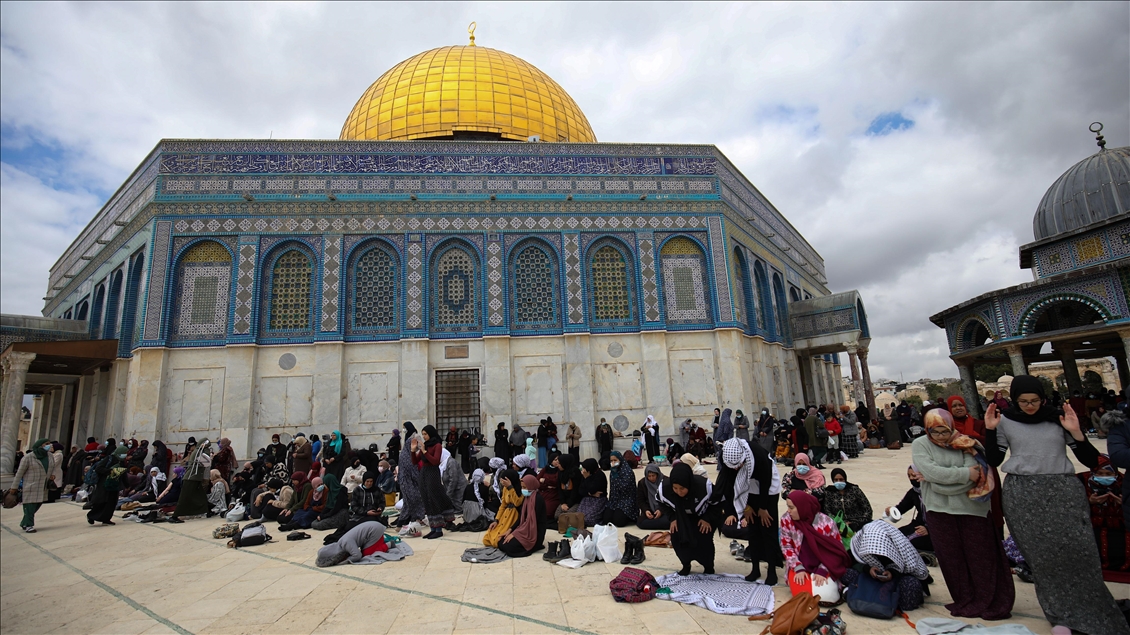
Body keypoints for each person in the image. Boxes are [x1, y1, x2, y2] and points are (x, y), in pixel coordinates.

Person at [985, 375, 1126, 634]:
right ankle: (1062, 616)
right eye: (1023, 401)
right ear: (1014, 401)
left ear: (1044, 398)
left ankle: (1096, 613)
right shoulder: (1006, 421)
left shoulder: (1058, 418)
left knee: (1080, 554)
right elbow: (993, 458)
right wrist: (991, 430)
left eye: (1035, 400)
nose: (1030, 406)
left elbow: (1092, 460)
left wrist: (1075, 432)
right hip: (1023, 493)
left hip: (1062, 491)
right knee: (1043, 560)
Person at [913, 407, 1013, 621]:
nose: (940, 437)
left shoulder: (967, 443)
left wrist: (940, 483)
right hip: (939, 509)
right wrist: (961, 476)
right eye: (935, 432)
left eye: (944, 431)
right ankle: (965, 598)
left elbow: (975, 474)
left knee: (980, 556)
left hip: (971, 508)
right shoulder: (920, 444)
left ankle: (989, 598)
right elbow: (932, 472)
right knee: (952, 558)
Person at [716, 438, 783, 584]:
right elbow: (729, 485)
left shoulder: (758, 456)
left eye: (738, 465)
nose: (735, 468)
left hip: (768, 487)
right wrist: (746, 507)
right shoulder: (727, 458)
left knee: (768, 528)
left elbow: (765, 482)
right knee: (753, 529)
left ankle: (771, 569)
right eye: (732, 467)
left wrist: (763, 508)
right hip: (747, 487)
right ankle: (755, 568)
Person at [843, 519, 930, 612]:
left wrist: (892, 573)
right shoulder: (860, 542)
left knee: (911, 585)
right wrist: (867, 569)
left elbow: (910, 569)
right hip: (868, 578)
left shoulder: (899, 545)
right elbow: (851, 562)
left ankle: (883, 600)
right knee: (846, 573)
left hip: (895, 582)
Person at [780, 491, 850, 603]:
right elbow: (786, 546)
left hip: (825, 564)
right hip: (799, 565)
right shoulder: (787, 520)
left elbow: (835, 550)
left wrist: (823, 570)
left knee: (827, 596)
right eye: (788, 507)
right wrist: (797, 567)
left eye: (791, 508)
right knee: (802, 597)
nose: (788, 511)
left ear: (802, 507)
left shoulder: (826, 522)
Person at [658, 462, 721, 575]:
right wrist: (672, 518)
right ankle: (686, 564)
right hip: (681, 517)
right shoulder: (665, 489)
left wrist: (707, 518)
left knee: (703, 539)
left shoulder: (704, 486)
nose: (678, 492)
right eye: (675, 488)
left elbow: (718, 502)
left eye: (682, 488)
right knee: (677, 537)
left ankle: (708, 566)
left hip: (703, 516)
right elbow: (660, 503)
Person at [1078, 454, 1128, 572]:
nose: (1104, 477)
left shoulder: (1125, 483)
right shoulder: (1082, 481)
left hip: (1122, 527)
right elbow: (1070, 508)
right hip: (1094, 526)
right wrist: (1088, 502)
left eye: (1109, 474)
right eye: (1100, 473)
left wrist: (1125, 504)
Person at [413, 425, 456, 538]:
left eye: (425, 434)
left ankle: (439, 529)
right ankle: (433, 528)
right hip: (424, 474)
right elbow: (415, 461)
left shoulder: (437, 445)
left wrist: (424, 451)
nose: (424, 436)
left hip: (433, 473)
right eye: (423, 434)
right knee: (426, 498)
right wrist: (413, 451)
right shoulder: (425, 445)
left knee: (434, 498)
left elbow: (435, 461)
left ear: (431, 433)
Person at [498, 474, 548, 557]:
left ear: (531, 486)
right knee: (501, 542)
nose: (523, 490)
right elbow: (521, 518)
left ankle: (536, 546)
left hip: (534, 533)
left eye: (525, 487)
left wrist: (515, 534)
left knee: (508, 547)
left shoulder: (537, 499)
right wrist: (510, 530)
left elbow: (531, 522)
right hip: (524, 530)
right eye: (522, 487)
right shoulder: (527, 498)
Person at [9, 439, 52, 532]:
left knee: (38, 504)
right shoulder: (28, 457)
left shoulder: (50, 456)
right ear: (40, 445)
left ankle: (24, 522)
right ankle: (29, 525)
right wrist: (14, 487)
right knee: (29, 506)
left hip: (43, 485)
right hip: (31, 485)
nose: (49, 445)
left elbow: (51, 468)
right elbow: (19, 473)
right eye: (46, 444)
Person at [886, 465, 932, 553]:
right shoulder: (914, 492)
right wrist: (892, 511)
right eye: (909, 476)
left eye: (914, 476)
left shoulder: (934, 492)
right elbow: (902, 508)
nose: (911, 478)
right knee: (895, 536)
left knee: (910, 543)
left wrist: (928, 529)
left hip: (935, 529)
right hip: (918, 525)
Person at [169, 440, 211, 522]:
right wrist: (206, 449)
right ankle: (174, 516)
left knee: (201, 496)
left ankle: (208, 510)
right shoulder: (199, 452)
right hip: (191, 478)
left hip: (195, 478)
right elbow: (206, 462)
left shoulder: (198, 451)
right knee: (184, 498)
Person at [396, 422, 426, 531]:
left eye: (404, 428)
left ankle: (408, 521)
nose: (403, 430)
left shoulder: (413, 439)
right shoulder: (408, 446)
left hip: (409, 479)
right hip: (407, 480)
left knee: (412, 500)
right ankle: (405, 522)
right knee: (409, 501)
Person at [483, 469, 523, 547]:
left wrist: (510, 487)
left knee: (499, 539)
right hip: (505, 515)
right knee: (487, 538)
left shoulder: (521, 488)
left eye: (504, 481)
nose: (502, 483)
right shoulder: (505, 488)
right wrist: (496, 520)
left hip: (514, 516)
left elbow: (517, 503)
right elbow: (503, 505)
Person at [601, 451, 638, 526]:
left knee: (619, 522)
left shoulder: (627, 472)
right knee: (606, 520)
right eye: (611, 461)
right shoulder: (613, 471)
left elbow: (624, 489)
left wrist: (616, 476)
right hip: (614, 500)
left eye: (615, 460)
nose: (613, 462)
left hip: (626, 500)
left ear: (620, 460)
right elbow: (612, 489)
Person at [636, 464, 670, 530]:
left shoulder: (665, 481)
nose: (651, 478)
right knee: (641, 523)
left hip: (664, 510)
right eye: (649, 476)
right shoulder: (642, 483)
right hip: (650, 510)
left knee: (668, 521)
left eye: (653, 476)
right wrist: (646, 510)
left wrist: (660, 510)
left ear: (657, 474)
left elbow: (668, 500)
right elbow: (641, 500)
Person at [578, 458, 608, 526]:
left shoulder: (600, 475)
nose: (583, 470)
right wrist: (591, 494)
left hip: (599, 500)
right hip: (587, 498)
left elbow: (592, 489)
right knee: (579, 516)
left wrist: (587, 478)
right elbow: (581, 490)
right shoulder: (585, 475)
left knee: (589, 519)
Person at [554, 454, 582, 521]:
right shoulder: (560, 473)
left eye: (560, 463)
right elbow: (559, 489)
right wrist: (563, 503)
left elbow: (575, 490)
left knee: (568, 516)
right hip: (565, 500)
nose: (558, 465)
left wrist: (569, 505)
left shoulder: (575, 473)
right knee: (557, 515)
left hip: (575, 501)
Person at [536, 452, 561, 519]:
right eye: (555, 460)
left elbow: (556, 482)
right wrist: (546, 486)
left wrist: (545, 480)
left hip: (554, 495)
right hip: (543, 492)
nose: (557, 461)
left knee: (547, 511)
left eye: (558, 459)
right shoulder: (545, 469)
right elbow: (537, 481)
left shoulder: (559, 470)